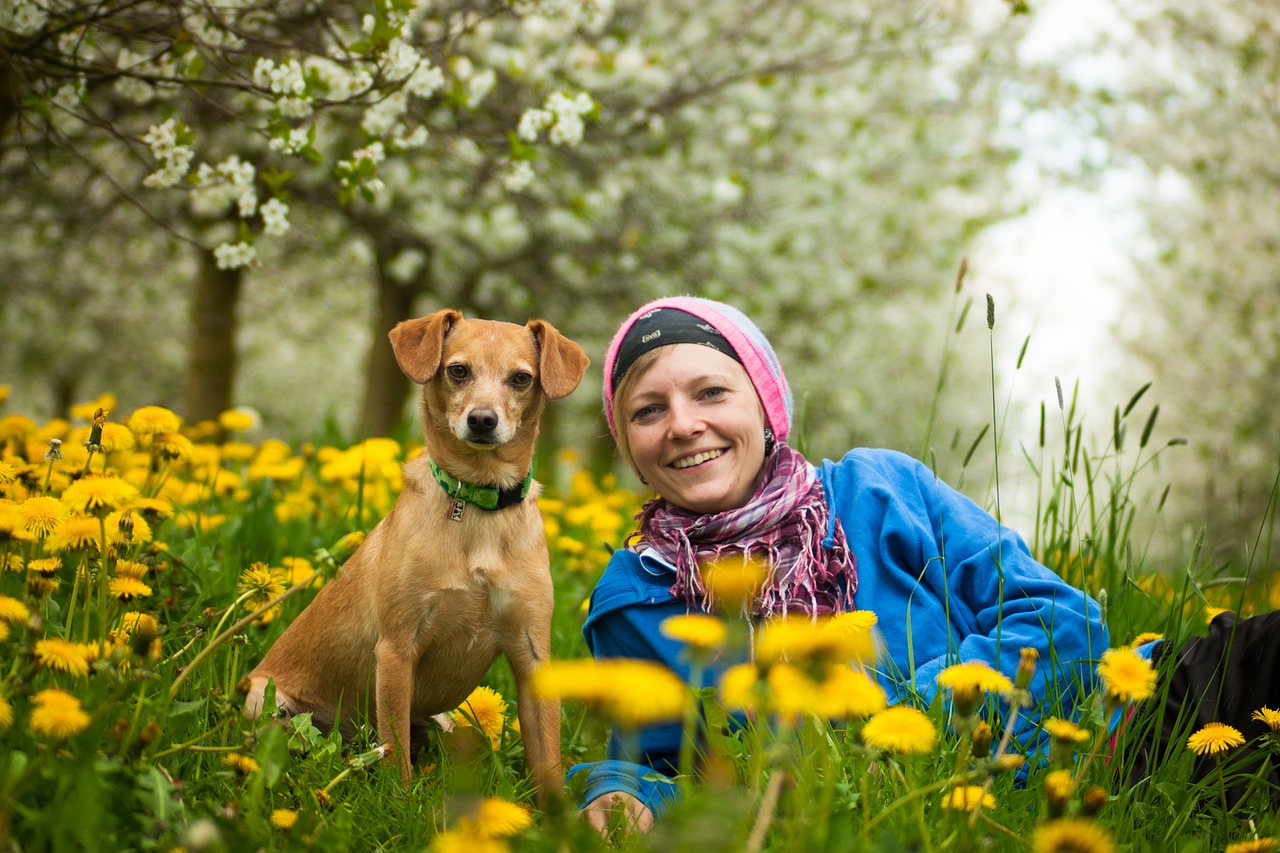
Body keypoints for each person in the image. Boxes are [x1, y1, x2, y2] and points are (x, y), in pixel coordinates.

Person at [567, 296, 1279, 832]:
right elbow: (660, 764)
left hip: (1117, 733)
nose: (684, 424)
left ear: (766, 402)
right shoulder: (636, 596)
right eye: (648, 410)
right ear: (628, 444)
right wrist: (618, 793)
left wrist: (893, 727)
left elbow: (1062, 620)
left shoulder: (882, 488)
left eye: (711, 391)